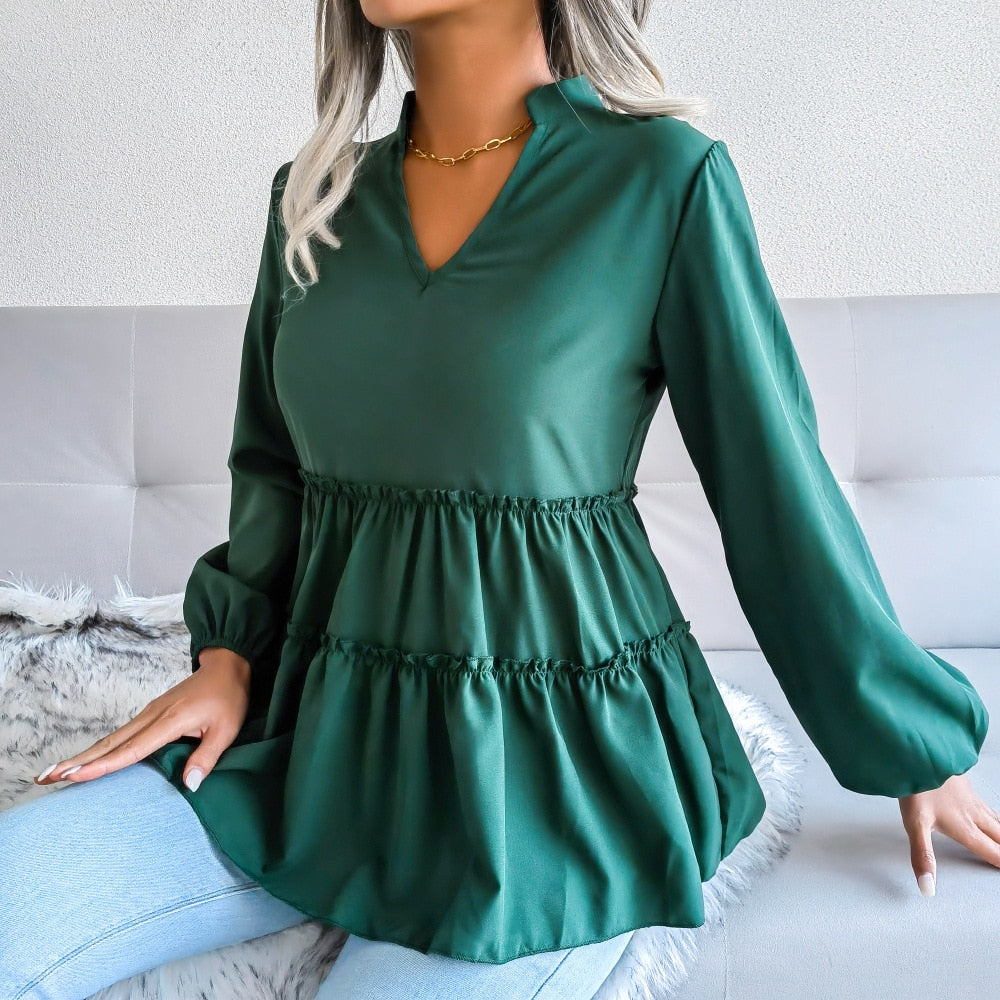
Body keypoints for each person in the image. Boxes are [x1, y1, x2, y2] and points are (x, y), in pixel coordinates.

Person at [4, 1, 998, 997]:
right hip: (313, 737)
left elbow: (773, 484)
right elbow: (271, 464)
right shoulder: (314, 196)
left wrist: (906, 743)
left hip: (553, 768)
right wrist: (228, 657)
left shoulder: (659, 180)